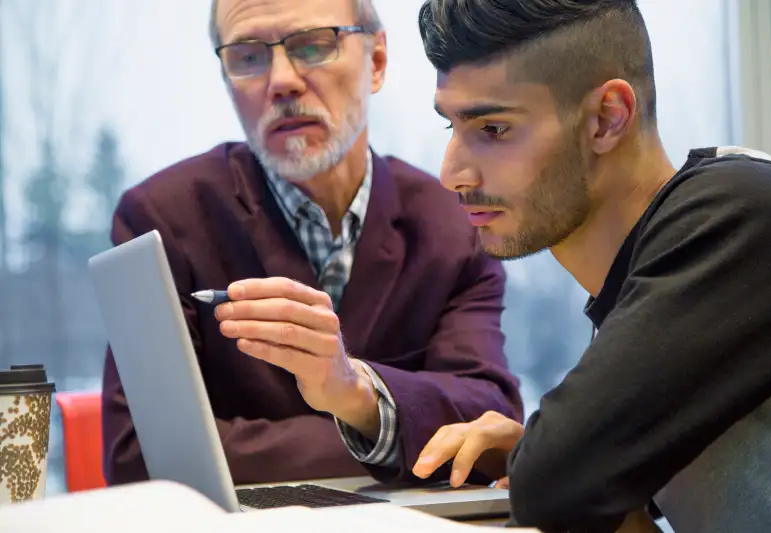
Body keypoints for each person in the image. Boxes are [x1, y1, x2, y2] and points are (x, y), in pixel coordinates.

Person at [411, 0, 771, 532]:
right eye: (451, 128)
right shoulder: (643, 280)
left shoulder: (739, 212)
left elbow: (556, 487)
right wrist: (539, 456)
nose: (451, 171)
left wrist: (554, 465)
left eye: (494, 129)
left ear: (607, 118)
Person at [101, 0, 523, 487]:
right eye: (248, 56)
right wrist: (392, 428)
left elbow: (491, 429)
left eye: (313, 45)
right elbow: (142, 455)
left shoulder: (452, 225)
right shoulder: (163, 219)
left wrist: (357, 394)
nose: (280, 81)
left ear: (377, 61)